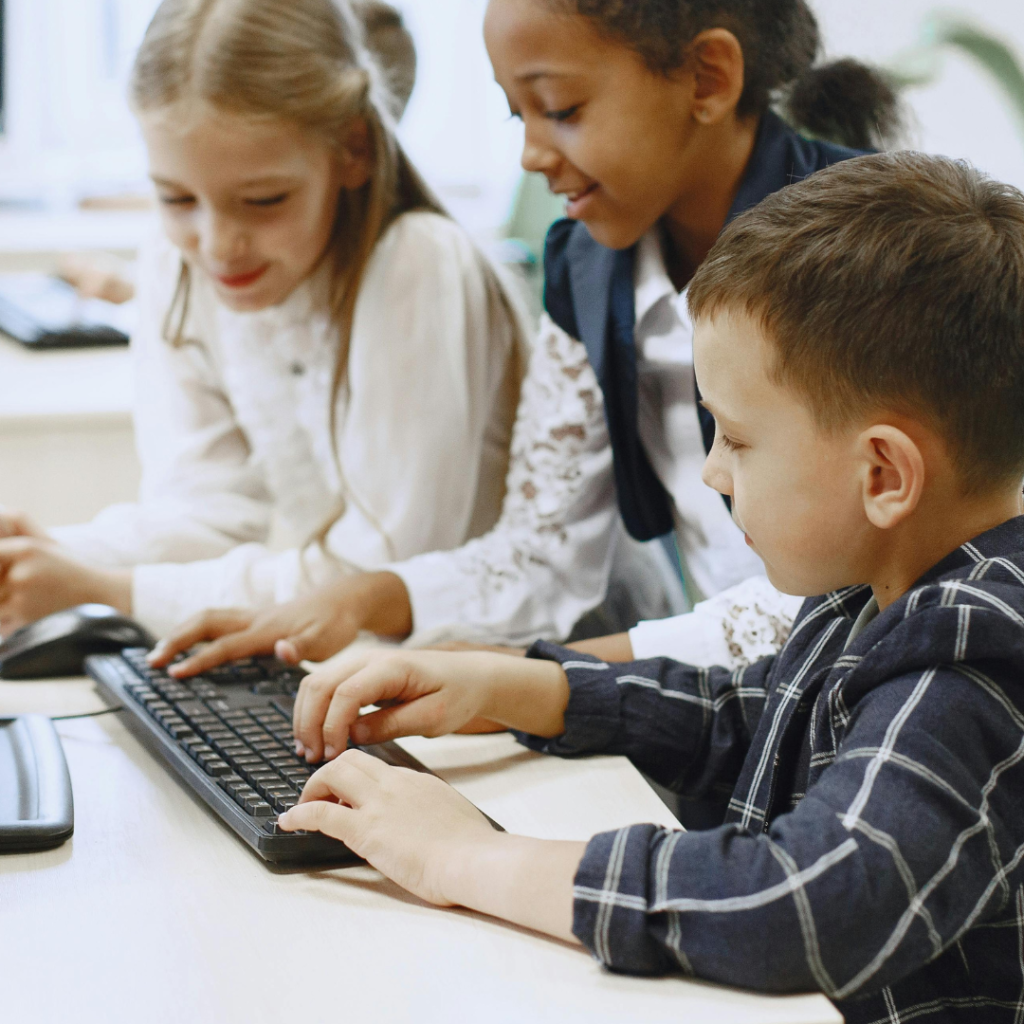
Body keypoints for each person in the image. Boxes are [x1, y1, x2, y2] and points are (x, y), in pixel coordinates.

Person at [276, 154, 1024, 1021]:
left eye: (737, 440)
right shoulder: (882, 583)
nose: (712, 473)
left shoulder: (972, 658)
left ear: (884, 475)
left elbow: (802, 906)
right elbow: (763, 716)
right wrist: (520, 686)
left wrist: (465, 859)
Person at [150, 0, 904, 680]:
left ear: (708, 77)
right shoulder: (586, 263)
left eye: (562, 109)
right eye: (520, 117)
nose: (532, 155)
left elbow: (849, 605)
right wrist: (357, 602)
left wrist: (530, 672)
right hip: (726, 709)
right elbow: (541, 552)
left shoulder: (873, 261)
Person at [0, 0, 526, 639]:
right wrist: (52, 553)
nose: (217, 244)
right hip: (361, 665)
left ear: (353, 149)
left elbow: (374, 576)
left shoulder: (421, 264)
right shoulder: (177, 261)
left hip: (494, 665)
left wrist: (111, 588)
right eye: (175, 198)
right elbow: (209, 511)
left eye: (262, 200)